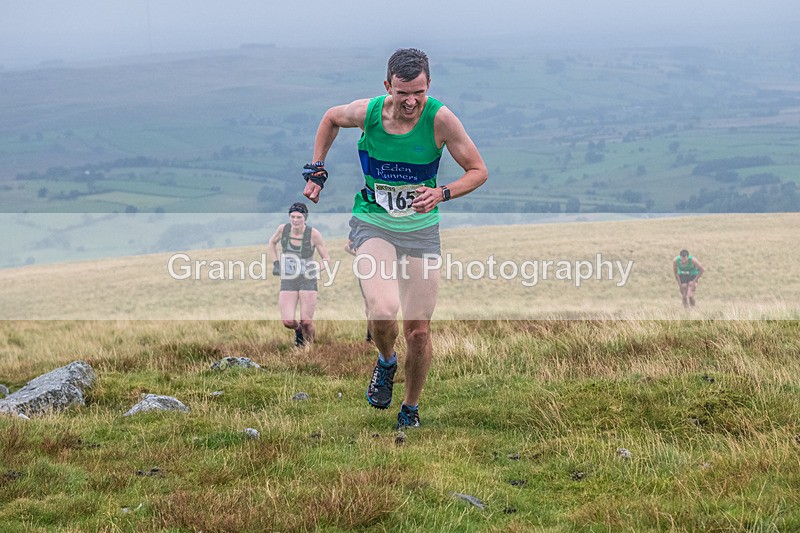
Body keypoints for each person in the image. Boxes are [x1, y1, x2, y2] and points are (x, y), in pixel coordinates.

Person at [302, 48, 488, 429]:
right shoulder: (368, 113)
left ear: (428, 85)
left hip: (421, 230)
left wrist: (442, 192)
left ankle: (410, 409)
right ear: (388, 86)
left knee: (418, 332)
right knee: (384, 311)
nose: (411, 101)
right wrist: (317, 168)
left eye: (418, 92)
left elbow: (478, 170)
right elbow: (330, 118)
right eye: (402, 92)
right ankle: (386, 361)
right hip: (374, 222)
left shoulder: (441, 119)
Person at [268, 202, 330, 346]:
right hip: (288, 279)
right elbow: (272, 243)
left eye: (299, 217)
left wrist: (316, 269)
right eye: (293, 217)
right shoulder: (283, 229)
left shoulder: (313, 234)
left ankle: (309, 348)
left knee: (307, 321)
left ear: (305, 218)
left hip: (307, 279)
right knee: (288, 321)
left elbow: (326, 259)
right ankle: (298, 330)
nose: (295, 220)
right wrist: (276, 263)